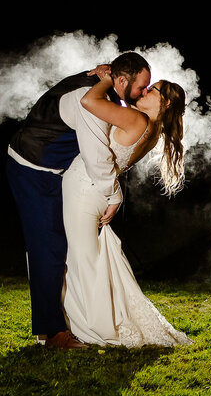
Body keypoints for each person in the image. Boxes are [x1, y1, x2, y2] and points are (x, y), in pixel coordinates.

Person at [6, 52, 151, 350]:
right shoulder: (91, 102)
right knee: (48, 247)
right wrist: (113, 196)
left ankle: (55, 324)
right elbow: (97, 158)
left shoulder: (99, 85)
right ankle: (54, 333)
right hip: (33, 170)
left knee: (53, 245)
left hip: (49, 171)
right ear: (121, 79)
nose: (143, 93)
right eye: (140, 87)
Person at [60, 68, 191, 347]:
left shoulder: (136, 118)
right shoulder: (153, 131)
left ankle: (87, 324)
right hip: (99, 193)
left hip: (85, 188)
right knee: (84, 258)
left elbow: (89, 102)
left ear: (164, 103)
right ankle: (78, 319)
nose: (144, 92)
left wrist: (109, 77)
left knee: (79, 262)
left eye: (151, 90)